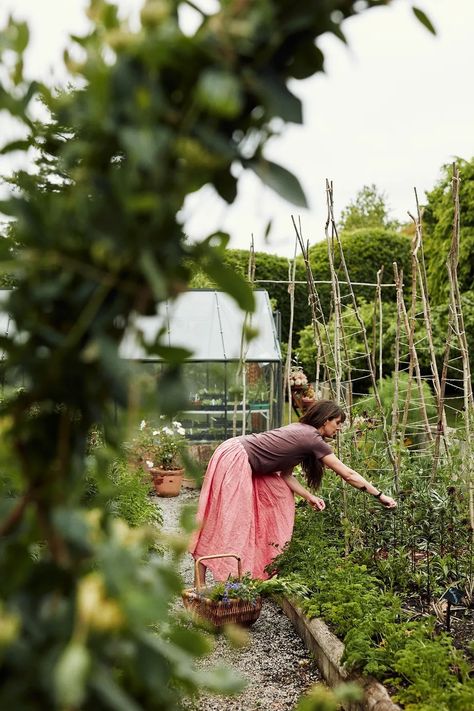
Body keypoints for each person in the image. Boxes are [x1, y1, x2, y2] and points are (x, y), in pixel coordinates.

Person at [189, 400, 397, 584]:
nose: (339, 428)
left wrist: (309, 496)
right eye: (338, 423)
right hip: (237, 457)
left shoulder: (304, 432)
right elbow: (348, 474)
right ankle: (201, 583)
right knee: (227, 520)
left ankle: (252, 569)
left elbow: (286, 475)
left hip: (244, 458)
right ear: (325, 420)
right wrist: (379, 495)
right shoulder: (311, 438)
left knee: (277, 497)